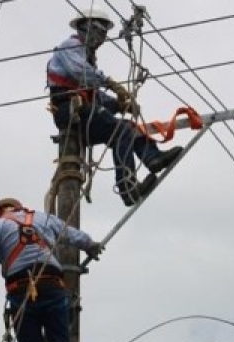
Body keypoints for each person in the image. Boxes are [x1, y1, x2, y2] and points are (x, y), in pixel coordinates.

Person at [46, 8, 183, 207]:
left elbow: (94, 96)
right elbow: (82, 73)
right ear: (88, 28)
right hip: (71, 113)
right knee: (120, 131)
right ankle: (127, 189)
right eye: (101, 33)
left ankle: (152, 157)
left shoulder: (86, 55)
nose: (102, 39)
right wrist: (111, 83)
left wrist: (119, 105)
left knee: (128, 128)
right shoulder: (70, 47)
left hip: (84, 111)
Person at [0, 198, 103, 342]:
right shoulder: (42, 218)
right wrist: (90, 245)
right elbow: (71, 234)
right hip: (52, 285)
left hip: (21, 291)